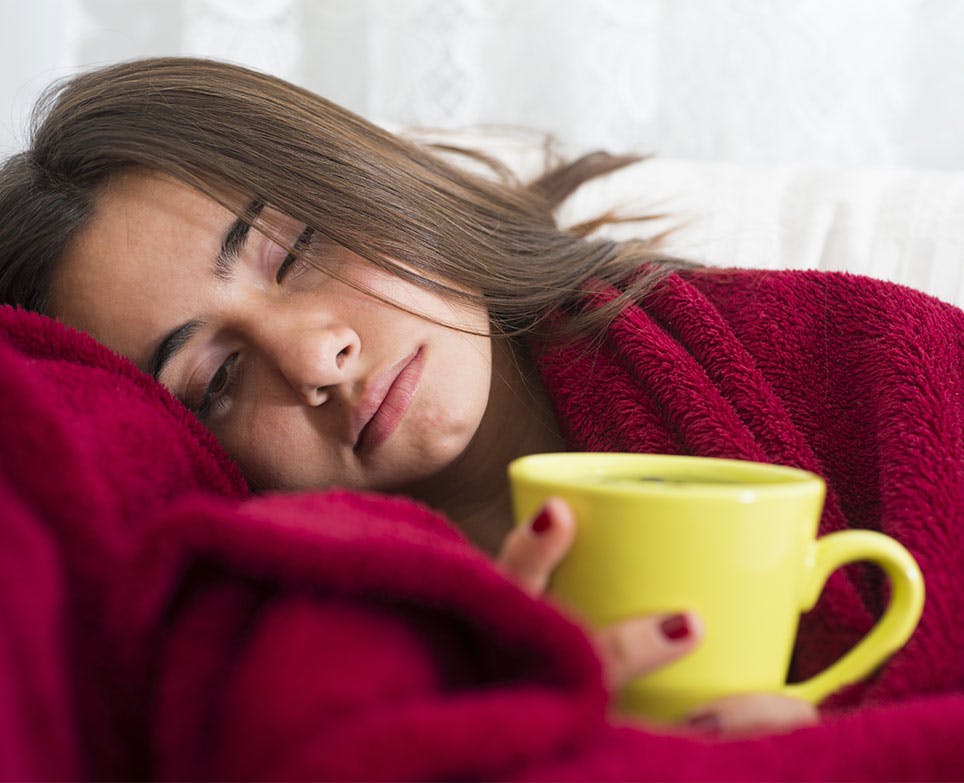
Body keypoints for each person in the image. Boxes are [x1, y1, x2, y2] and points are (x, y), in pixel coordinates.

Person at [0, 57, 959, 740]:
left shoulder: (851, 351)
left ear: (364, 179)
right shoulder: (307, 650)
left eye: (294, 251)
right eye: (215, 379)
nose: (317, 354)